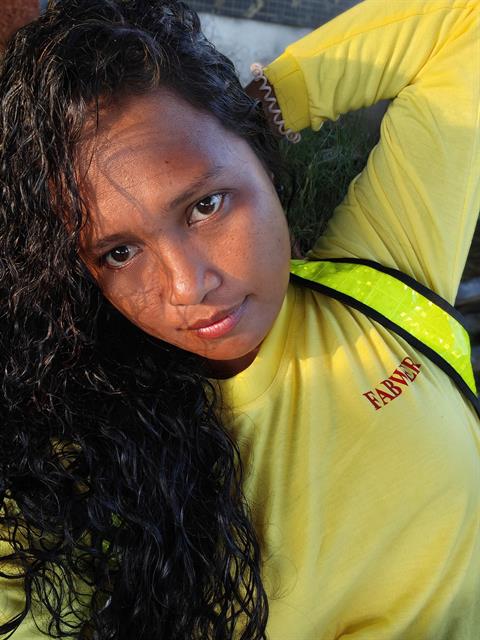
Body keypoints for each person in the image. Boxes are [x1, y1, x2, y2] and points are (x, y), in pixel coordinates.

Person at [0, 0, 478, 638]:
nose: (188, 285)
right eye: (118, 253)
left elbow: (467, 23)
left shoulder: (382, 280)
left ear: (261, 156)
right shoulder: (73, 458)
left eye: (206, 205)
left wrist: (274, 99)